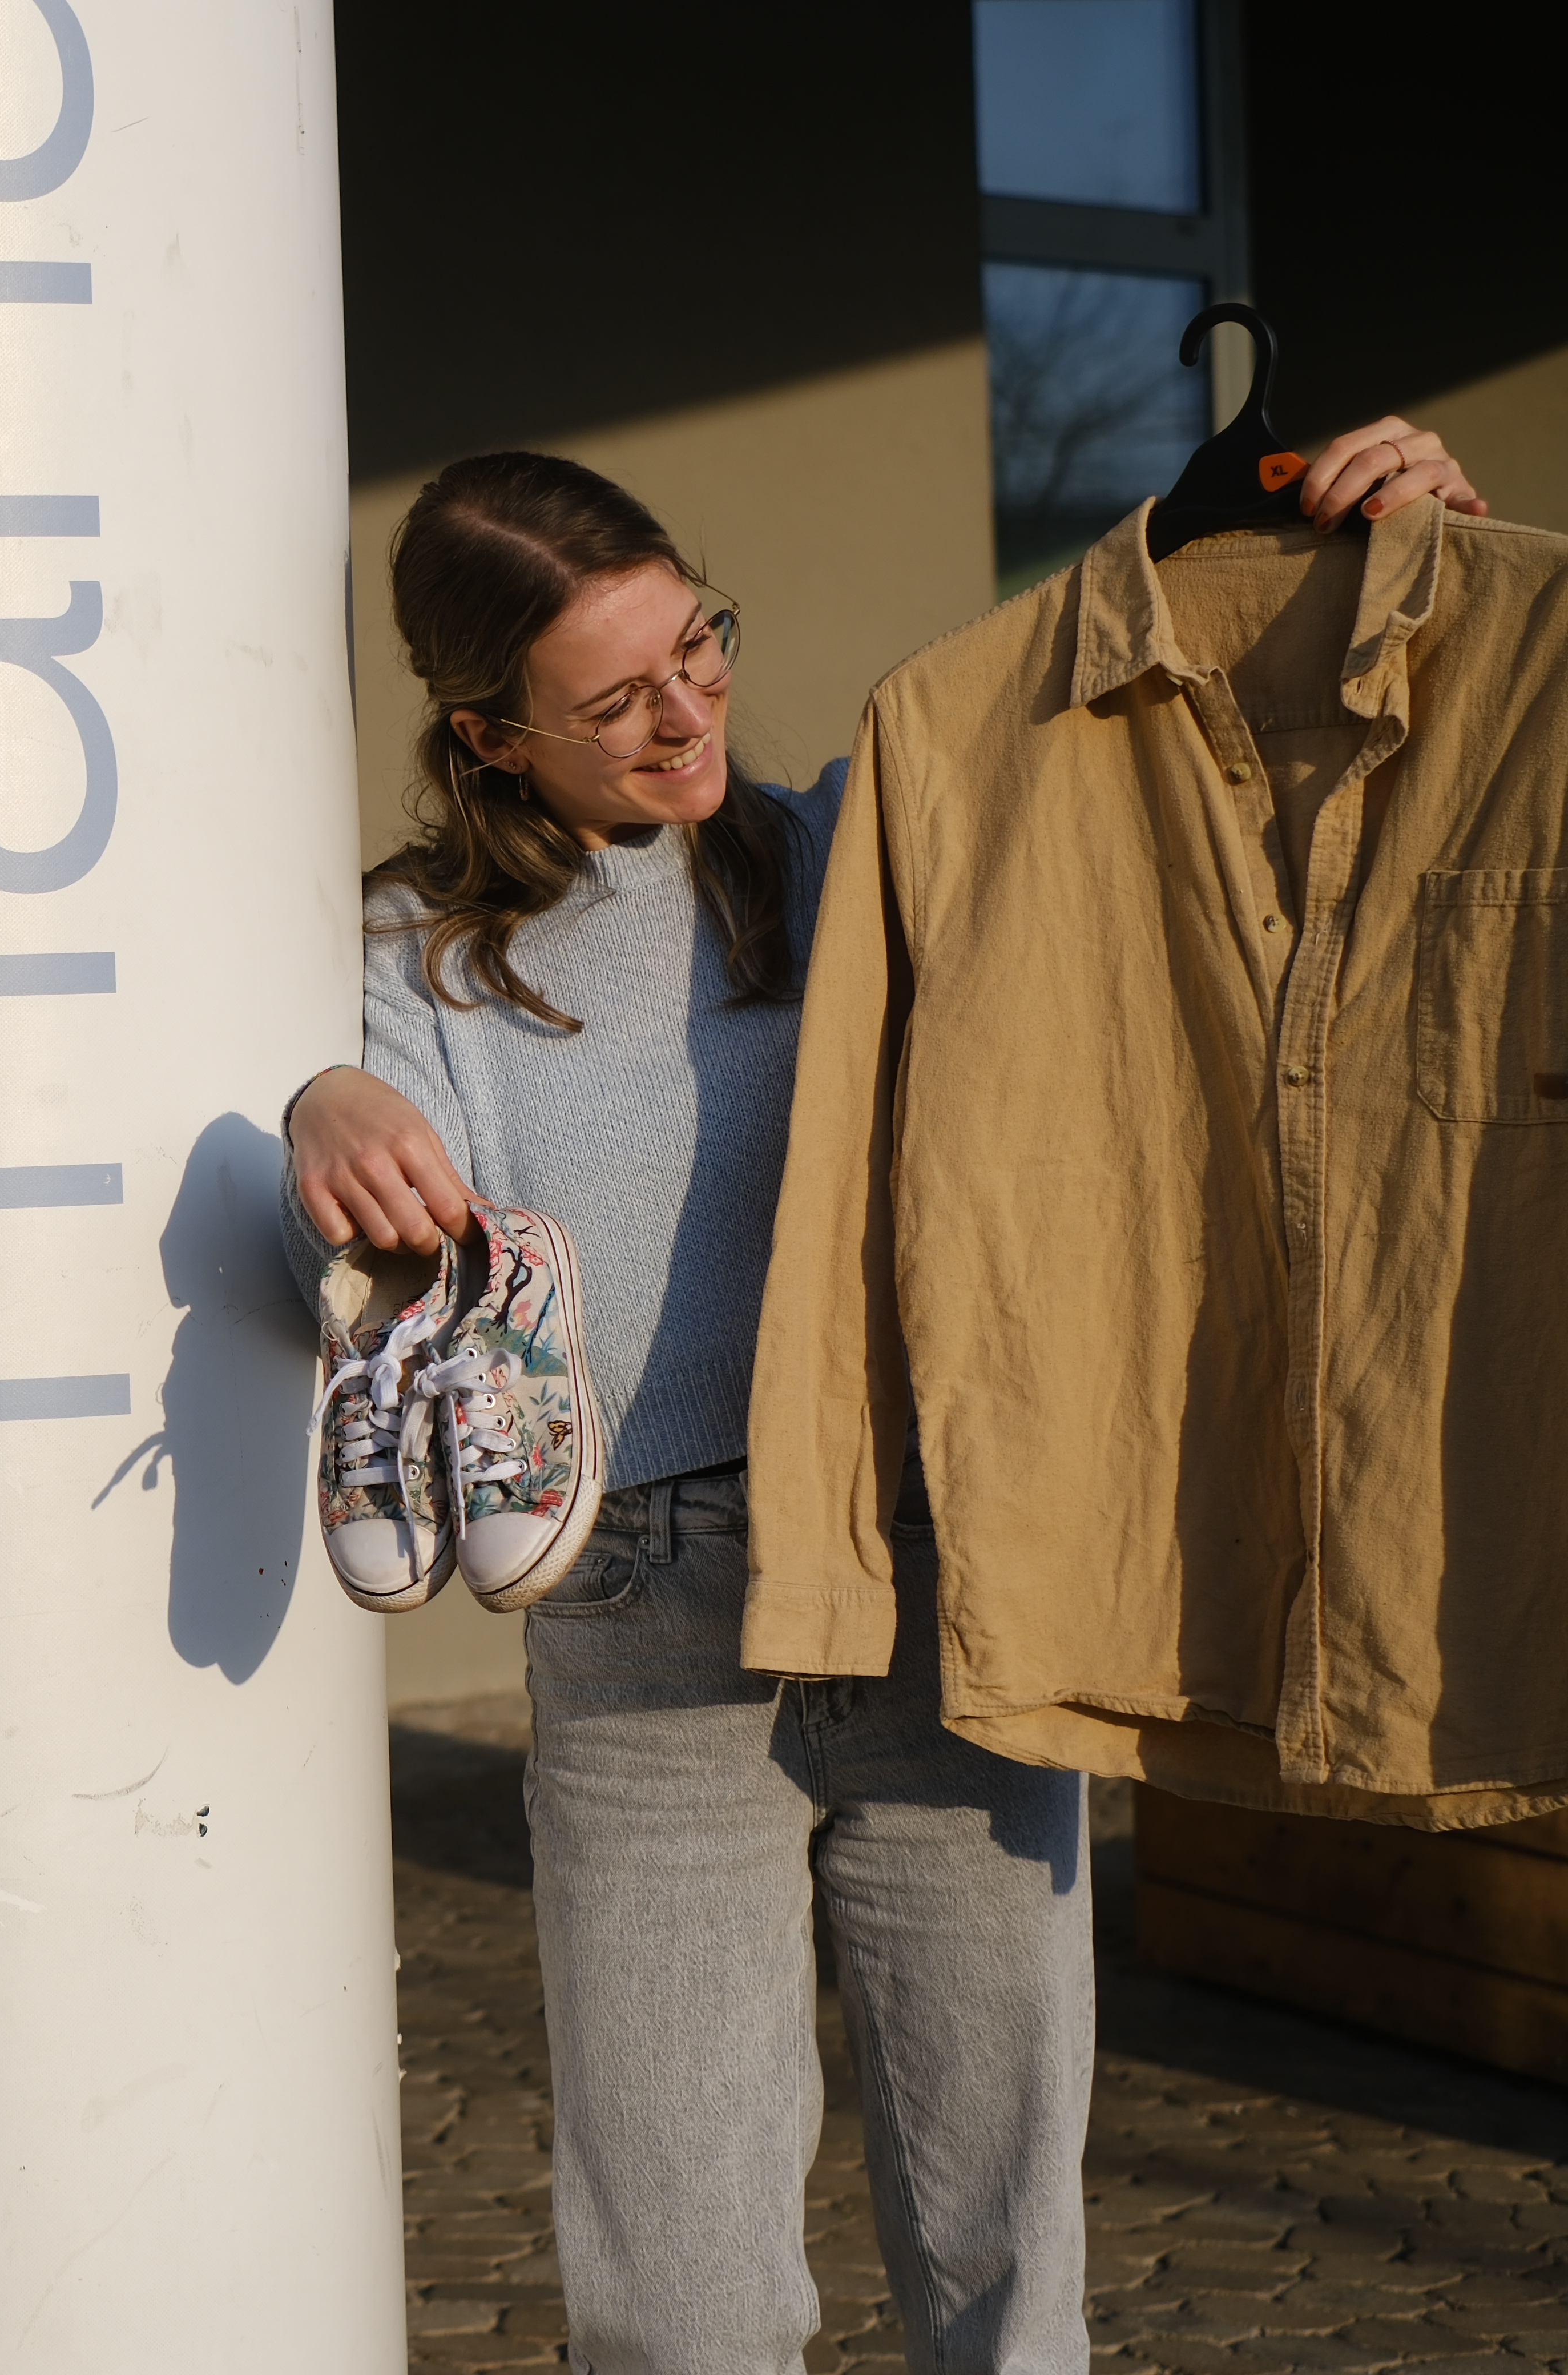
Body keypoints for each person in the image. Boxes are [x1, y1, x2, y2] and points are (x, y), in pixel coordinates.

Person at [284, 424, 1484, 2370]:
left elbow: (1115, 699)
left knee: (1010, 2254)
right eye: (616, 700)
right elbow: (344, 1277)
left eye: (698, 645)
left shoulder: (857, 842)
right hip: (640, 1612)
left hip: (941, 1573)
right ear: (491, 737)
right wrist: (320, 1104)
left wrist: (1286, 507)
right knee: (678, 2289)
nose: (688, 713)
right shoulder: (412, 961)